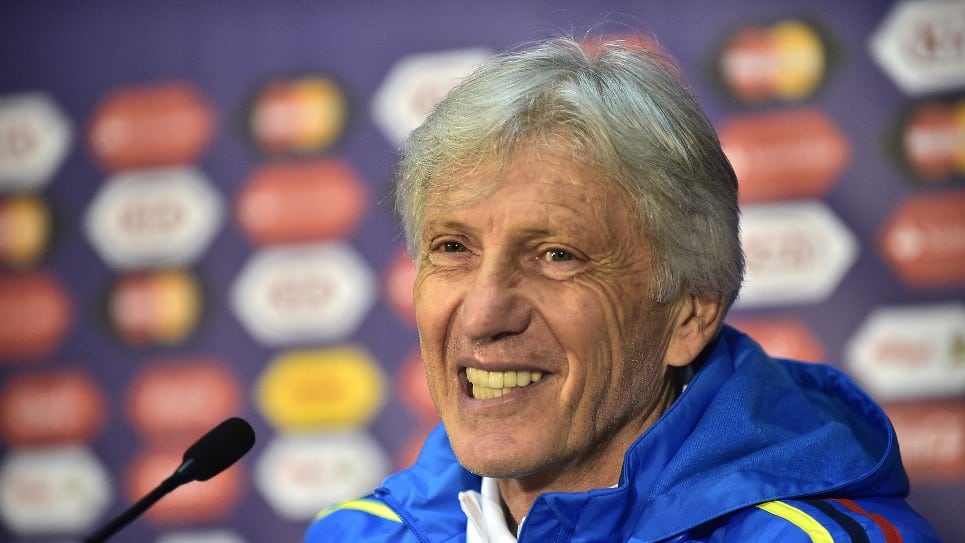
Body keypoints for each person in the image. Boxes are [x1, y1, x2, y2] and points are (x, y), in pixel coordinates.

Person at [304, 35, 940, 542]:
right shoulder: (354, 533)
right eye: (452, 249)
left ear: (688, 316)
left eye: (557, 256)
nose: (482, 315)